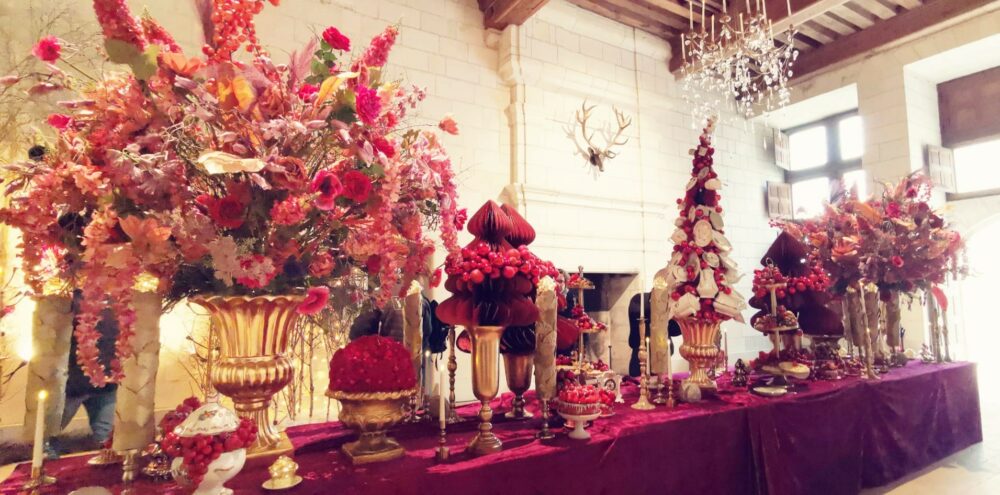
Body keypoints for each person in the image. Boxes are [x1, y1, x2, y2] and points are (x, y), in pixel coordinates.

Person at [58, 291, 118, 450]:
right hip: (71, 385)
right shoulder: (67, 296)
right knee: (45, 438)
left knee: (106, 443)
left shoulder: (116, 295)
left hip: (105, 384)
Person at [628, 292, 681, 377]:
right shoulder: (638, 300)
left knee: (663, 383)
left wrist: (673, 314)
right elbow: (634, 340)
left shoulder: (668, 303)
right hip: (641, 362)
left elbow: (676, 331)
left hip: (663, 360)